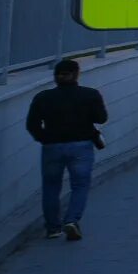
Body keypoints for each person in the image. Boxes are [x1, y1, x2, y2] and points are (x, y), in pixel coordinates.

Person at [26, 58, 108, 241]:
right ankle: (71, 220)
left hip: (52, 147)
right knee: (80, 185)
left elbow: (32, 124)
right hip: (81, 146)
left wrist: (44, 138)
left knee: (51, 187)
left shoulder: (43, 97)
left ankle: (53, 228)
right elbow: (101, 118)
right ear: (76, 74)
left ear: (55, 77)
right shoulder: (90, 94)